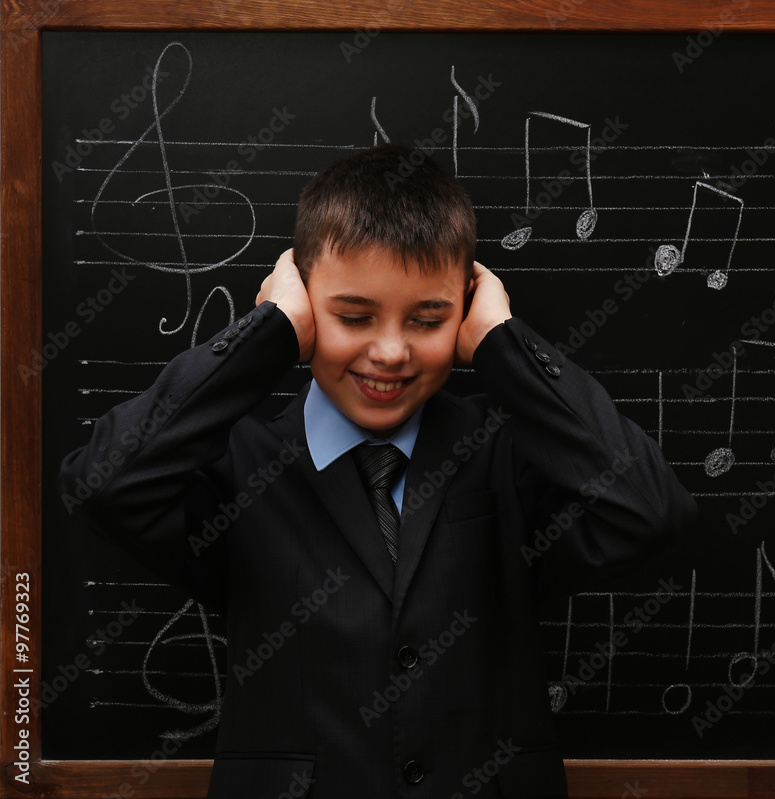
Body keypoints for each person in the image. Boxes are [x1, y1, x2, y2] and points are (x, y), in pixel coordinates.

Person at [59, 143, 696, 798]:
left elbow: (650, 509)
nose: (390, 352)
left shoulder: (509, 457)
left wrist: (504, 341)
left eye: (428, 318)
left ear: (466, 310)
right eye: (353, 316)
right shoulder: (235, 467)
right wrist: (268, 332)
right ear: (305, 301)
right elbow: (103, 482)